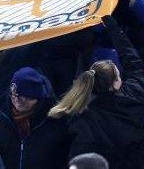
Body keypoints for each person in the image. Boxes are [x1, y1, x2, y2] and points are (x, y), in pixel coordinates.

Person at [49, 16, 144, 169]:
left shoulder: (84, 121)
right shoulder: (136, 95)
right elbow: (133, 61)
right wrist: (113, 27)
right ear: (117, 81)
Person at [0, 67, 68, 169]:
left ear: (36, 98)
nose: (16, 100)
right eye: (14, 95)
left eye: (23, 96)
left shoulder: (55, 120)